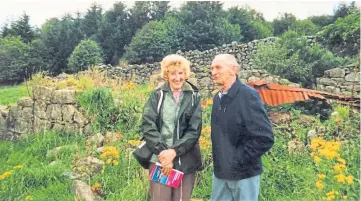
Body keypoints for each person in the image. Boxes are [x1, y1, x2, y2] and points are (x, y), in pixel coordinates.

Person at [209, 54, 274, 201]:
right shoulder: (217, 99)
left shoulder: (247, 95)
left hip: (244, 174)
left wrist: (236, 160)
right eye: (212, 68)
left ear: (234, 69)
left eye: (218, 67)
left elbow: (265, 138)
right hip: (220, 174)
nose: (213, 72)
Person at [141, 54, 203, 201]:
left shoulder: (194, 97)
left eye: (180, 73)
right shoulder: (158, 95)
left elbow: (194, 130)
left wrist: (174, 152)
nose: (177, 78)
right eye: (172, 73)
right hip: (160, 159)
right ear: (166, 75)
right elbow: (148, 125)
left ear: (185, 74)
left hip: (185, 160)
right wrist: (164, 155)